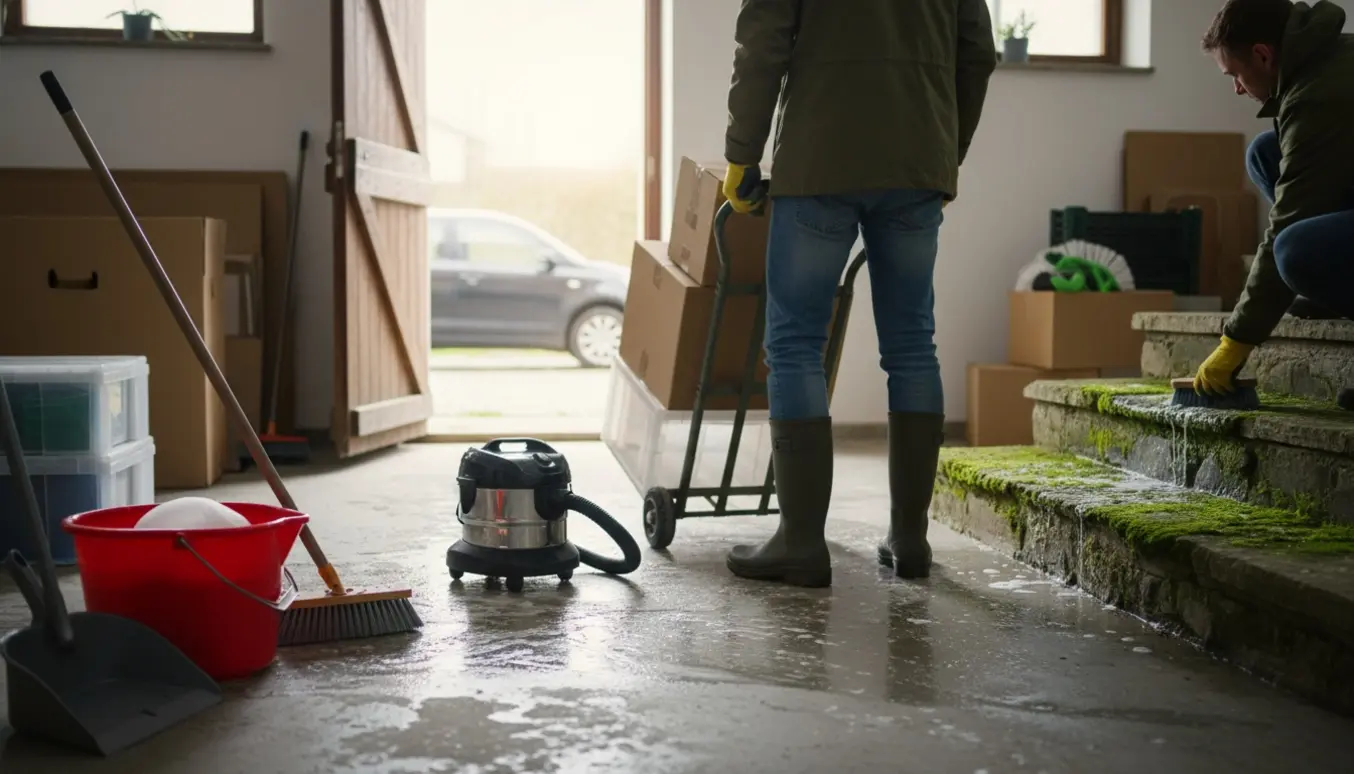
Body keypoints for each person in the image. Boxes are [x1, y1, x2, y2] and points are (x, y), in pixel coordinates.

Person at [719, 0, 998, 587]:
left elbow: (763, 43)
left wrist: (742, 154)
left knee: (796, 343)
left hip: (819, 157)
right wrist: (945, 153)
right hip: (917, 160)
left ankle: (801, 541)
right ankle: (910, 538)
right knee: (912, 346)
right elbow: (977, 51)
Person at [1194, 0, 1354, 403]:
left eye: (1235, 74)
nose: (1236, 88)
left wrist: (1236, 340)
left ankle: (1328, 279)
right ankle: (1333, 287)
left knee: (1295, 250)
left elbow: (1288, 219)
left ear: (1263, 55)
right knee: (1267, 152)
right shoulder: (1320, 63)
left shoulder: (1320, 94)